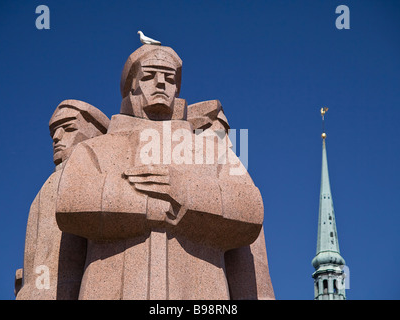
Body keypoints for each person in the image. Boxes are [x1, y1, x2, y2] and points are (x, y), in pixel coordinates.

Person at [55, 45, 273, 299]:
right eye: (149, 76)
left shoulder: (213, 150)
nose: (161, 84)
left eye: (169, 79)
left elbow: (250, 208)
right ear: (132, 86)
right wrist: (148, 204)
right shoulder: (96, 148)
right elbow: (70, 201)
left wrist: (186, 193)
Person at [16, 100, 109, 299]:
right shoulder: (49, 184)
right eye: (53, 133)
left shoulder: (93, 179)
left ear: (95, 133)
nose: (57, 138)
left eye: (68, 128)